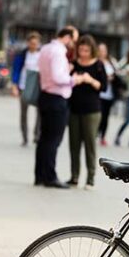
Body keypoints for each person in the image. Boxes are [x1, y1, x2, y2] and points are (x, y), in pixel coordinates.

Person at [34, 27, 82, 189]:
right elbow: (57, 76)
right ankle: (50, 176)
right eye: (74, 40)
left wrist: (65, 71)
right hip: (56, 98)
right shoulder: (58, 52)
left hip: (45, 96)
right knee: (53, 140)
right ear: (67, 37)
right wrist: (73, 79)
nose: (73, 44)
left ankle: (40, 175)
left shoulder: (46, 48)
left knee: (44, 139)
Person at [67, 35, 107, 190]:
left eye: (87, 50)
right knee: (74, 144)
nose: (83, 53)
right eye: (81, 50)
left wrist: (89, 79)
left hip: (92, 110)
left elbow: (103, 87)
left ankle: (90, 178)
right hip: (74, 109)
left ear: (92, 50)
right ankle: (74, 176)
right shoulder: (73, 65)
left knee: (90, 144)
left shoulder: (98, 65)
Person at [11, 31, 41, 146]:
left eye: (36, 43)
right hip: (24, 86)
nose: (34, 45)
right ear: (28, 43)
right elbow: (16, 70)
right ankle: (25, 137)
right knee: (24, 113)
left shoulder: (41, 55)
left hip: (37, 87)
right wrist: (15, 86)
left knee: (40, 113)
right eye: (32, 43)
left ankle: (37, 134)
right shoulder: (22, 55)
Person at [97, 42, 118, 146]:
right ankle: (96, 133)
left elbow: (116, 74)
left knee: (105, 117)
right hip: (99, 94)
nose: (102, 53)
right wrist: (105, 78)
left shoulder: (110, 62)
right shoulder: (96, 62)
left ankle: (103, 136)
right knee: (98, 116)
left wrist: (113, 77)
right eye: (100, 50)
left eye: (104, 50)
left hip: (109, 94)